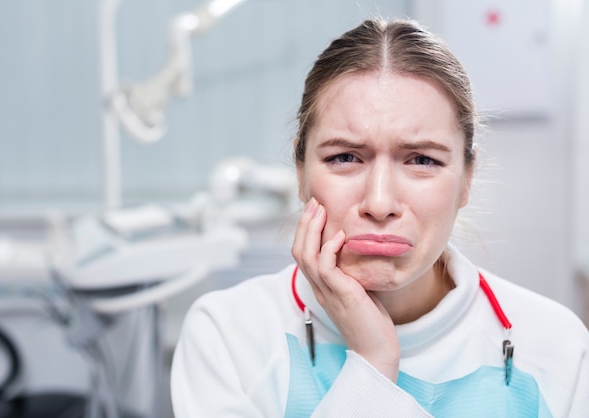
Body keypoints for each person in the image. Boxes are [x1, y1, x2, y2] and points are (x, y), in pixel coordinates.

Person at [170, 17, 589, 417]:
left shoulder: (556, 349)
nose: (379, 201)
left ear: (466, 179)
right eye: (345, 157)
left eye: (422, 159)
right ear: (300, 172)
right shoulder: (227, 336)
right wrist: (372, 363)